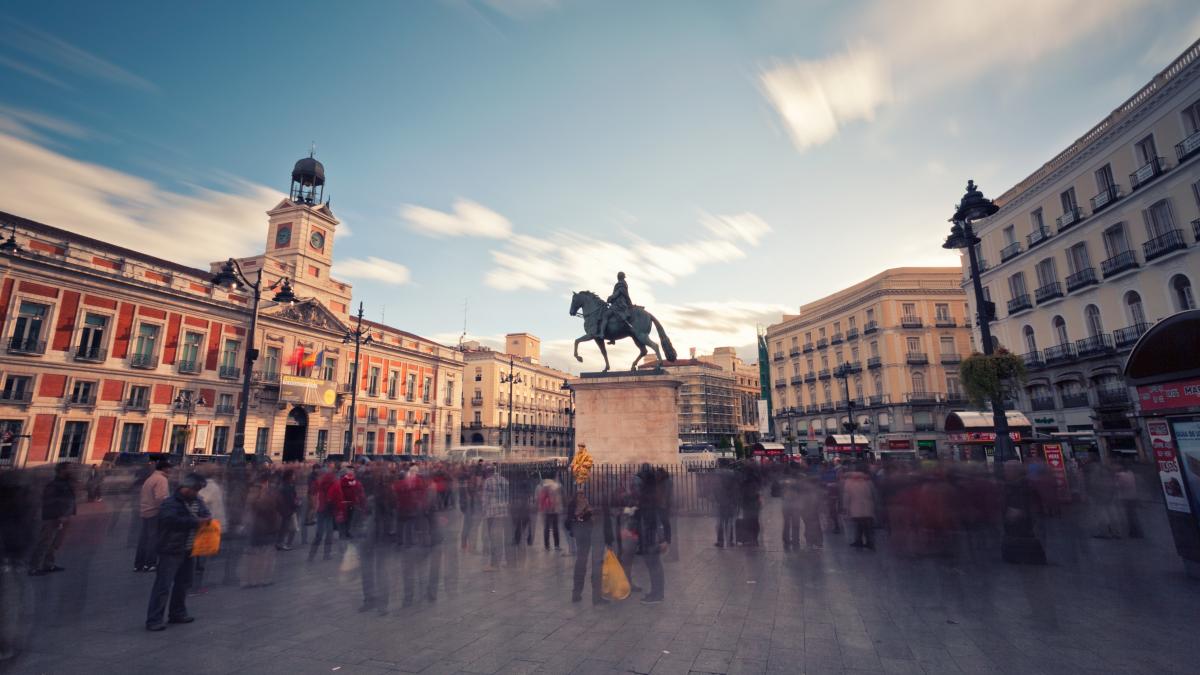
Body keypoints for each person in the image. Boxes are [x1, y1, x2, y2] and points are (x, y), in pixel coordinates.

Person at [145, 473, 210, 631]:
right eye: (196, 489)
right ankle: (154, 619)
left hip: (189, 548)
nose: (197, 492)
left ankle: (177, 613)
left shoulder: (197, 501)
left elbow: (205, 512)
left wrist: (206, 517)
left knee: (184, 583)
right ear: (186, 488)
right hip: (171, 549)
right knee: (163, 585)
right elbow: (170, 521)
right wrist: (196, 522)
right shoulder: (171, 503)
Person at [29, 462, 76, 576]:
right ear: (62, 470)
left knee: (55, 543)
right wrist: (59, 516)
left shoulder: (66, 483)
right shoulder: (54, 485)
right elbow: (50, 502)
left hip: (63, 517)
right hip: (53, 518)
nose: (72, 470)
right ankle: (34, 567)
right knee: (45, 542)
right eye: (69, 469)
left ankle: (48, 564)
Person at [565, 487, 609, 605]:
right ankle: (593, 596)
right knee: (593, 562)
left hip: (588, 532)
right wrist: (582, 512)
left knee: (584, 561)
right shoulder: (587, 500)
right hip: (588, 532)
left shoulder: (592, 498)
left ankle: (580, 593)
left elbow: (569, 523)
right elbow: (570, 522)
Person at [634, 464, 669, 604]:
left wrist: (662, 540)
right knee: (653, 565)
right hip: (649, 534)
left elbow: (657, 518)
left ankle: (657, 594)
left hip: (651, 536)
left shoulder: (650, 495)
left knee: (654, 565)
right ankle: (656, 592)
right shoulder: (651, 493)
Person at [192, 466, 225, 594]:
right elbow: (213, 508)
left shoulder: (208, 486)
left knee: (199, 556)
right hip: (206, 526)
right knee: (200, 557)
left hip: (206, 525)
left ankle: (194, 584)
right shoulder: (210, 487)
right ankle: (195, 586)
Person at [135, 459, 171, 572]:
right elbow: (161, 498)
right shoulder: (161, 479)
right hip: (155, 512)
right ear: (165, 468)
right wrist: (167, 511)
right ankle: (151, 563)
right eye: (170, 469)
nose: (171, 472)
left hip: (145, 511)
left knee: (144, 539)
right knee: (153, 538)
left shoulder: (150, 478)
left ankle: (139, 564)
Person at [481, 465, 510, 571]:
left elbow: (485, 499)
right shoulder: (505, 480)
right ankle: (503, 559)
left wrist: (483, 512)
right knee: (500, 537)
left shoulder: (488, 482)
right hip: (503, 512)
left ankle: (494, 563)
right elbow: (508, 496)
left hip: (491, 513)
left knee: (492, 537)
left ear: (487, 473)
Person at [307, 464, 339, 561]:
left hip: (322, 509)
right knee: (328, 533)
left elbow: (312, 493)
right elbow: (338, 496)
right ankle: (326, 554)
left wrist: (313, 506)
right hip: (328, 510)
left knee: (320, 534)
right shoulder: (333, 482)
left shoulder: (318, 482)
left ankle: (312, 555)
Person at [842, 464, 876, 550]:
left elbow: (846, 496)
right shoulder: (868, 480)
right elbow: (874, 494)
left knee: (858, 525)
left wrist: (845, 507)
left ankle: (858, 541)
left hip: (855, 506)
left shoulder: (849, 481)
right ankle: (870, 542)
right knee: (868, 525)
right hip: (868, 506)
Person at [1115, 462, 1143, 539]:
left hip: (1125, 497)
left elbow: (1119, 486)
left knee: (1129, 516)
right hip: (1133, 496)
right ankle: (1137, 531)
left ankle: (1134, 532)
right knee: (1133, 515)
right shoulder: (1131, 473)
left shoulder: (1120, 475)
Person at [537, 474, 563, 551]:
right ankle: (553, 545)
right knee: (551, 528)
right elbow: (542, 499)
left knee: (550, 528)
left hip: (551, 510)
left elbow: (542, 499)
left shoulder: (551, 487)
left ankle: (550, 545)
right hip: (550, 510)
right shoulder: (548, 487)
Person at [275, 470, 299, 551]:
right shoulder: (288, 487)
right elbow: (291, 500)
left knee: (284, 527)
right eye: (293, 475)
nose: (294, 477)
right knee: (291, 528)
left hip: (284, 510)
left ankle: (280, 543)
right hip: (289, 510)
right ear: (289, 477)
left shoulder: (283, 486)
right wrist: (297, 504)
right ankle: (285, 544)